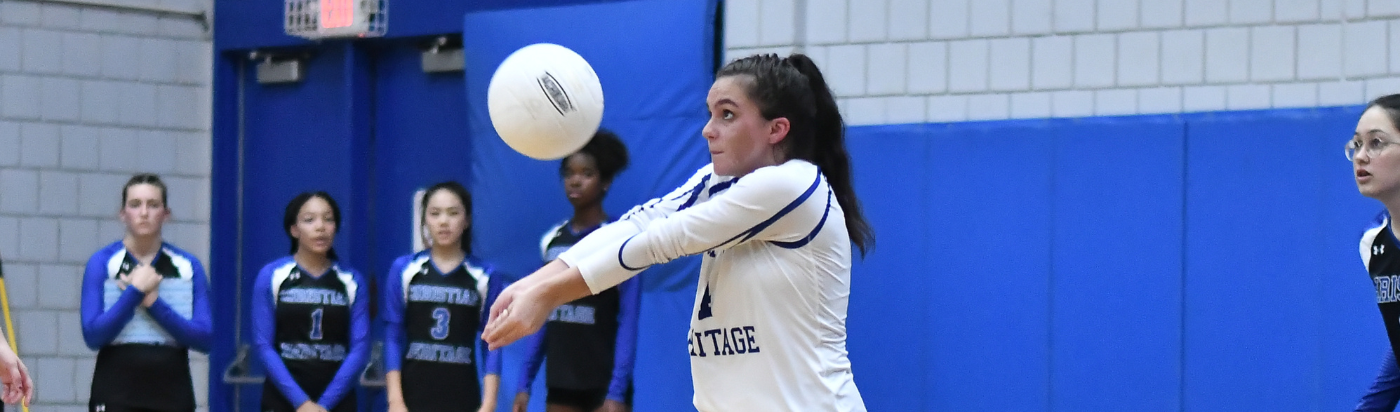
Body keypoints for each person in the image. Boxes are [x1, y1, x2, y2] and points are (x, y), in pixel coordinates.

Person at [482, 53, 874, 412]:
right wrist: (534, 282)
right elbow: (637, 224)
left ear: (776, 129)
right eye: (709, 113)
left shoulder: (791, 185)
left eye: (727, 115)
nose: (708, 130)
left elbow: (662, 241)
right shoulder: (715, 180)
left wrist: (549, 295)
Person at [514, 132, 639, 412]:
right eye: (569, 173)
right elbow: (541, 312)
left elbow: (628, 321)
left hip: (603, 388)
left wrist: (617, 391)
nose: (575, 180)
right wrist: (525, 383)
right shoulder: (551, 242)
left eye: (587, 173)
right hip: (560, 384)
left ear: (605, 182)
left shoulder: (619, 239)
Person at [80, 173, 211, 412]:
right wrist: (134, 292)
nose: (143, 213)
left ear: (166, 214)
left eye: (153, 205)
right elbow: (93, 335)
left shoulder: (188, 266)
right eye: (135, 205)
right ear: (122, 214)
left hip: (172, 393)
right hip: (115, 392)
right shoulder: (102, 263)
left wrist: (153, 303)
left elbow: (205, 338)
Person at [382, 181, 505, 412]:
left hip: (463, 398)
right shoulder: (404, 270)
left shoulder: (485, 276)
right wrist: (395, 401)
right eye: (435, 213)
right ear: (425, 220)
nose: (443, 221)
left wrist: (489, 404)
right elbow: (393, 337)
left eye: (453, 213)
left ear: (466, 220)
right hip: (411, 399)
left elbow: (492, 343)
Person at [252, 192, 370, 412]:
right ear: (294, 229)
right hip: (283, 400)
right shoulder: (272, 276)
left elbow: (360, 348)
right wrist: (302, 403)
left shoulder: (351, 280)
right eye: (309, 220)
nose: (321, 227)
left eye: (328, 219)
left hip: (337, 401)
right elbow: (263, 345)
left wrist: (324, 405)